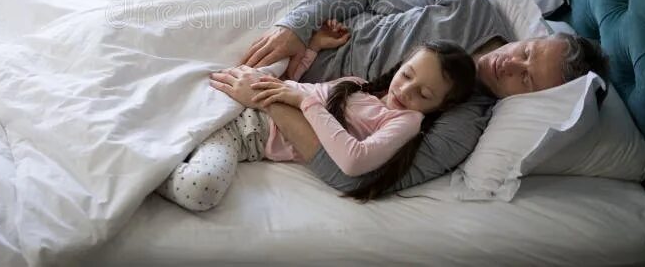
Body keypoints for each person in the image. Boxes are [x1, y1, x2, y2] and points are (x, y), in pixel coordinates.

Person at [231, 0, 609, 194]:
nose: (509, 63)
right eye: (526, 51)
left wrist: (269, 98)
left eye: (525, 78)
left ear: (534, 99)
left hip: (276, 95)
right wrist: (297, 27)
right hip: (301, 34)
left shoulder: (463, 124)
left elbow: (352, 176)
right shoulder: (473, 8)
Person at [157, 19, 475, 210]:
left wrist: (305, 103)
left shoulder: (406, 122)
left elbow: (354, 160)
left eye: (424, 94)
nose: (405, 92)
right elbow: (298, 85)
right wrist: (314, 47)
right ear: (402, 65)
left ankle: (150, 175)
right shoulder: (359, 85)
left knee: (202, 189)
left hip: (246, 134)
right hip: (240, 100)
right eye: (407, 76)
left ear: (441, 107)